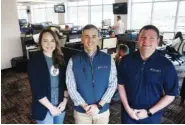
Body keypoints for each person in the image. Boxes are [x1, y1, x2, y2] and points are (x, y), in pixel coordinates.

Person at [118, 25, 178, 124]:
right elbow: (120, 85)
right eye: (143, 37)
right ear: (138, 39)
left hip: (152, 115)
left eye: (152, 38)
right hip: (128, 113)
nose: (146, 41)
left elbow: (170, 94)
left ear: (158, 41)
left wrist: (148, 112)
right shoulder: (126, 60)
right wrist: (128, 108)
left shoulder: (166, 65)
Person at [66, 24, 117, 124]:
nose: (90, 40)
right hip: (81, 112)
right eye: (86, 36)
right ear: (82, 39)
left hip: (102, 111)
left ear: (99, 38)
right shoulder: (73, 60)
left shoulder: (108, 59)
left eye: (94, 36)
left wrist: (99, 106)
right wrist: (85, 106)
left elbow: (113, 84)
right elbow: (71, 87)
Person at [27, 29, 68, 124]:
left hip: (60, 105)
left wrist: (64, 101)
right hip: (44, 107)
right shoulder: (35, 61)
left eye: (52, 40)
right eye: (45, 41)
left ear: (56, 42)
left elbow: (65, 83)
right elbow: (37, 89)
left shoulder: (60, 59)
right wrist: (51, 108)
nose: (49, 44)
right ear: (40, 43)